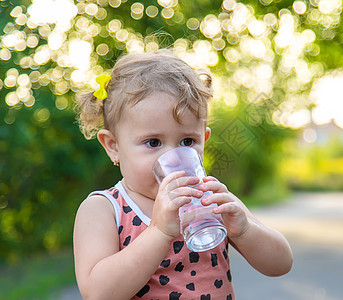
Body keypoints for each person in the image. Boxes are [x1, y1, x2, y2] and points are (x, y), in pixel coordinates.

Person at [73, 49, 293, 300]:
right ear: (113, 146)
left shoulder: (208, 199)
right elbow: (97, 293)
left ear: (204, 140)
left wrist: (244, 230)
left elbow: (281, 263)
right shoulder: (104, 209)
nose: (174, 157)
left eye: (188, 141)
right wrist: (159, 233)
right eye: (153, 142)